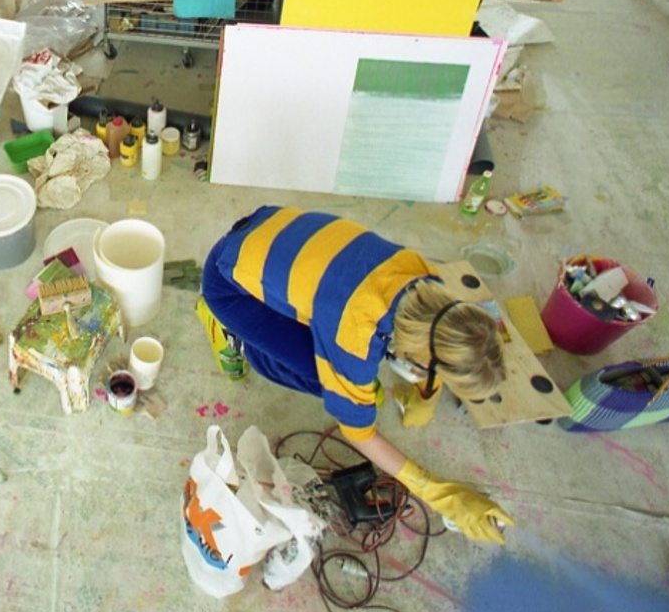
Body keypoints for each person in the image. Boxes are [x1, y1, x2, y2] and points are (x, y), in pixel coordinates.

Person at [198, 206, 514, 543]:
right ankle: (232, 335)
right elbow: (360, 434)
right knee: (325, 379)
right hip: (227, 283)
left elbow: (437, 341)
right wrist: (442, 496)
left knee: (344, 359)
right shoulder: (355, 336)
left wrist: (427, 392)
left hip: (264, 230)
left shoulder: (426, 280)